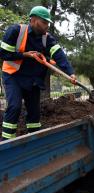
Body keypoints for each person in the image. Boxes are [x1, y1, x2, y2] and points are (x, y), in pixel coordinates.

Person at [0, 6, 76, 140]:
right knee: (14, 107)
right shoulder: (15, 31)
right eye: (44, 22)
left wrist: (70, 72)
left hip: (33, 79)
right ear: (33, 20)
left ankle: (34, 139)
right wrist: (25, 55)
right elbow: (3, 54)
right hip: (13, 76)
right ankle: (7, 141)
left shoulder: (47, 38)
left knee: (34, 113)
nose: (47, 26)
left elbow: (59, 55)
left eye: (48, 23)